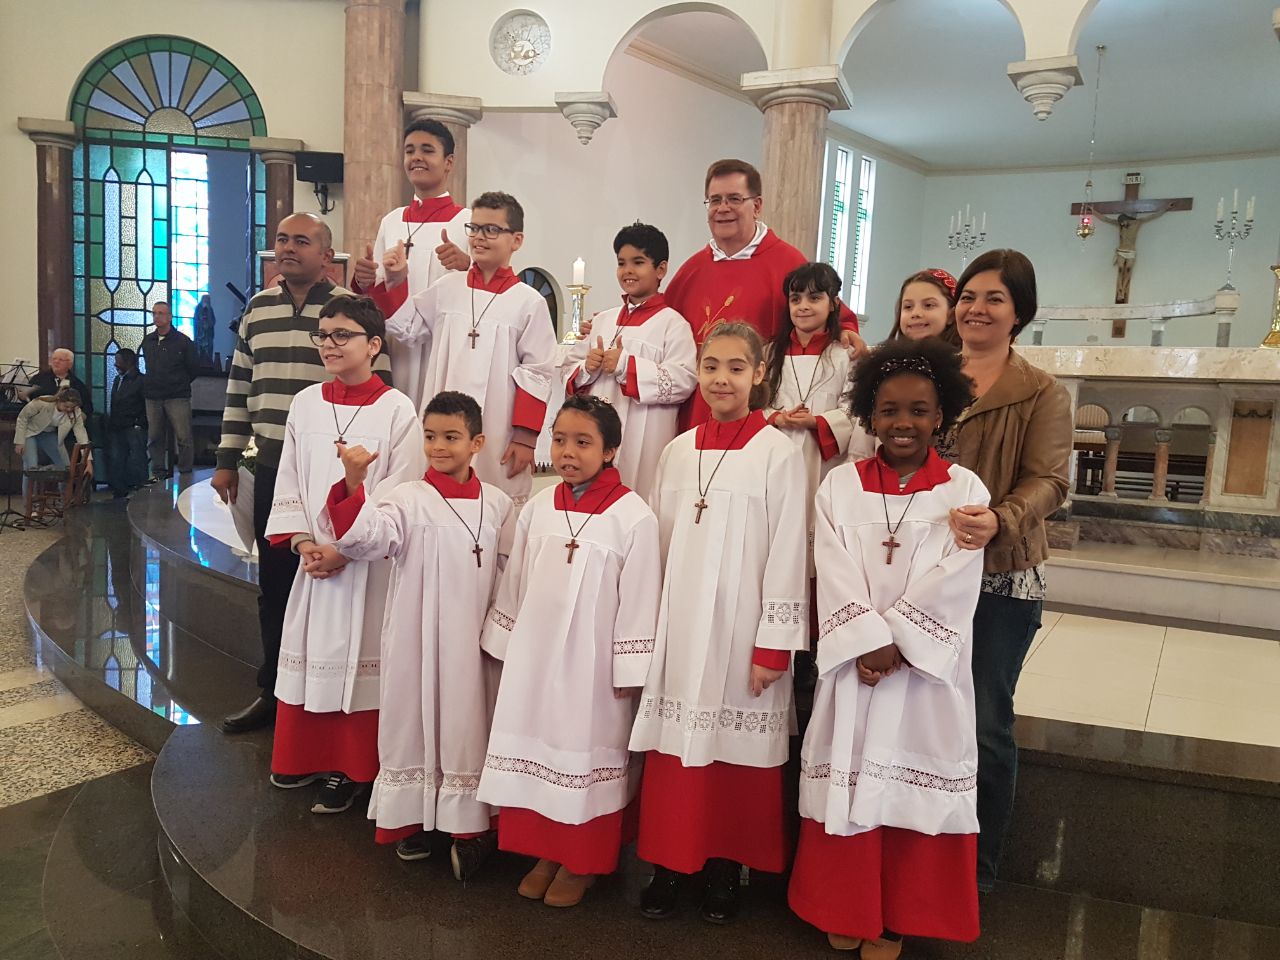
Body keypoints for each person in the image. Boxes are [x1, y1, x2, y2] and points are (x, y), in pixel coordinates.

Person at [788, 337, 987, 958]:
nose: (904, 423)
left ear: (941, 415)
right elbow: (831, 564)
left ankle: (898, 915)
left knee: (908, 780)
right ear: (869, 415)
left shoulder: (962, 488)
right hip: (857, 667)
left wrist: (897, 644)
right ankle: (846, 905)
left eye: (919, 411)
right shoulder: (840, 486)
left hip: (923, 677)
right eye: (890, 410)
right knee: (848, 774)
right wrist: (867, 642)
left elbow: (959, 574)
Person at [629, 322, 808, 925]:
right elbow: (656, 545)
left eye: (736, 367)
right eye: (711, 366)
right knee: (674, 745)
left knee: (733, 751)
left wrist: (773, 646)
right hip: (680, 624)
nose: (721, 379)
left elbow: (789, 549)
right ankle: (668, 863)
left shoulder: (778, 454)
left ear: (759, 374)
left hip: (742, 627)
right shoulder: (677, 451)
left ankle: (725, 868)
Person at [213, 213, 393, 736]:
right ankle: (275, 690)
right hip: (276, 465)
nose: (288, 248)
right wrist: (227, 458)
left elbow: (378, 387)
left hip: (337, 471)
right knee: (276, 583)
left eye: (301, 241)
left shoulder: (350, 310)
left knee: (337, 582)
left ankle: (336, 694)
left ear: (327, 254)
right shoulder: (258, 308)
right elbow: (239, 383)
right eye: (282, 240)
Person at [479, 394, 661, 907]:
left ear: (610, 451)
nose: (567, 452)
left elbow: (641, 598)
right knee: (536, 748)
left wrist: (629, 669)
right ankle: (545, 852)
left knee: (582, 757)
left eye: (583, 442)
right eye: (559, 440)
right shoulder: (538, 507)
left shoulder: (633, 517)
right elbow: (515, 581)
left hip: (592, 666)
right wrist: (506, 644)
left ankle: (583, 862)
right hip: (536, 658)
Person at [323, 390, 514, 874]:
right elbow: (366, 539)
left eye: (451, 437)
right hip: (417, 636)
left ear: (477, 443)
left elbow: (510, 572)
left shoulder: (497, 504)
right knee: (412, 720)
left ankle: (467, 825)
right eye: (430, 437)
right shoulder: (406, 499)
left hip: (474, 642)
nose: (438, 447)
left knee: (468, 727)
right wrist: (353, 483)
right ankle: (412, 819)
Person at [262, 295, 424, 814]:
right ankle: (305, 754)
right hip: (314, 562)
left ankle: (353, 768)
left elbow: (402, 490)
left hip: (368, 566)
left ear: (373, 345)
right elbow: (289, 476)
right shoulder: (305, 402)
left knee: (361, 663)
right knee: (313, 651)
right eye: (323, 334)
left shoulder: (397, 409)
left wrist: (345, 549)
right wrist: (304, 543)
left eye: (342, 335)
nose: (329, 344)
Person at [942, 249, 1072, 893]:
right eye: (968, 296)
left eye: (994, 298)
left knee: (984, 720)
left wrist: (1001, 517)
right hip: (926, 570)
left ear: (1020, 311)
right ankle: (920, 853)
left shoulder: (1041, 391)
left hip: (1000, 574)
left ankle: (977, 867)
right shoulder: (930, 372)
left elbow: (1050, 480)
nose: (977, 309)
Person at [663, 158, 863, 428]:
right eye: (715, 200)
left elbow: (833, 313)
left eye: (734, 199)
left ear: (757, 206)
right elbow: (662, 326)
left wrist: (847, 329)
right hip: (698, 411)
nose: (723, 208)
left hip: (759, 414)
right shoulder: (692, 270)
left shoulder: (787, 261)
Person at [388, 191, 557, 508]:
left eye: (491, 230)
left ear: (516, 240)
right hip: (444, 420)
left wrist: (524, 437)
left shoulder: (528, 301)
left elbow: (538, 372)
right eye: (474, 228)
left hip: (497, 423)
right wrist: (395, 281)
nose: (479, 237)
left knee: (492, 503)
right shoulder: (447, 288)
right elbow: (408, 328)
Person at [562, 223, 697, 500]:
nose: (628, 270)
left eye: (638, 262)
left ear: (660, 269)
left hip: (645, 437)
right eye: (621, 263)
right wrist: (586, 368)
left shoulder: (673, 325)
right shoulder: (602, 320)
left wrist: (627, 366)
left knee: (638, 497)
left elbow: (684, 381)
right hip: (596, 434)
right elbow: (567, 370)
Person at [352, 118, 471, 411]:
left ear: (449, 162)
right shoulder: (392, 221)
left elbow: (488, 286)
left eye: (427, 150)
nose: (416, 157)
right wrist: (364, 282)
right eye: (409, 151)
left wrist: (467, 264)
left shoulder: (467, 222)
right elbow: (376, 293)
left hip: (444, 345)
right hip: (397, 348)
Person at [140, 301, 197, 479]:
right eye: (154, 313)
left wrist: (178, 382)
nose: (157, 316)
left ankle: (185, 471)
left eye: (161, 313)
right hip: (153, 395)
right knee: (155, 436)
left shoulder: (182, 341)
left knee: (183, 436)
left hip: (177, 395)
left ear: (169, 317)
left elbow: (193, 368)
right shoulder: (148, 340)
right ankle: (158, 472)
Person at [15, 388, 91, 501]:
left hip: (48, 433)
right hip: (30, 433)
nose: (69, 409)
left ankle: (65, 500)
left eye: (72, 407)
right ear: (59, 400)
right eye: (66, 406)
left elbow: (81, 435)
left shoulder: (75, 412)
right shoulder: (42, 403)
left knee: (65, 467)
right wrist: (19, 442)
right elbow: (22, 418)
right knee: (31, 469)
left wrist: (88, 461)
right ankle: (29, 503)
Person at [106, 348, 147, 501]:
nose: (115, 364)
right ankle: (119, 490)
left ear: (128, 362)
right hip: (117, 426)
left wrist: (139, 422)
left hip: (133, 425)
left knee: (137, 459)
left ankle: (141, 491)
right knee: (117, 459)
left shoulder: (141, 381)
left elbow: (146, 404)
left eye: (118, 361)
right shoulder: (118, 380)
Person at [888, 268, 961, 346]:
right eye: (908, 307)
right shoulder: (887, 353)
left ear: (951, 315)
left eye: (928, 305)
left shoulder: (965, 353)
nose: (915, 313)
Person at [24, 348, 92, 416]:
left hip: (66, 419)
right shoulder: (38, 379)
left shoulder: (77, 384)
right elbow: (27, 400)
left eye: (61, 360)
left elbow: (87, 407)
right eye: (54, 359)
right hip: (39, 418)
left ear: (70, 364)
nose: (56, 362)